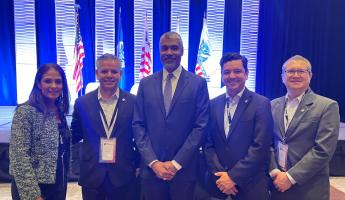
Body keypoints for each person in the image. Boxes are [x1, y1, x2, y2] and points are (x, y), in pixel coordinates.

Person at [132, 31, 210, 200]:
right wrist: (154, 163)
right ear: (159, 52)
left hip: (184, 171)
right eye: (164, 48)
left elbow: (200, 127)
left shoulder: (198, 84)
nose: (169, 53)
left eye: (174, 48)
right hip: (152, 171)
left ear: (182, 51)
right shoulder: (145, 84)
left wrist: (176, 164)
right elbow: (138, 125)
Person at [270, 55, 340, 200]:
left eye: (301, 71)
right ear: (282, 76)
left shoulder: (327, 106)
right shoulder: (272, 105)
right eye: (290, 71)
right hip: (277, 185)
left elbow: (323, 151)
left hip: (309, 189)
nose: (295, 75)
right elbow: (267, 143)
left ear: (310, 76)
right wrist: (274, 171)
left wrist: (290, 177)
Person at [204, 52, 273, 200]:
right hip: (218, 185)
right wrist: (222, 177)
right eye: (227, 72)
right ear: (222, 75)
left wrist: (233, 177)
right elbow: (208, 144)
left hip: (250, 186)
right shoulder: (213, 104)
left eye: (237, 71)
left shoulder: (261, 104)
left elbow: (260, 147)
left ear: (246, 74)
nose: (232, 76)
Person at [71, 54, 138, 200]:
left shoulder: (134, 102)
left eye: (114, 71)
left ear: (120, 74)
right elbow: (74, 137)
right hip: (92, 175)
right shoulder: (82, 102)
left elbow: (139, 137)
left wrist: (137, 166)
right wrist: (77, 166)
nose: (109, 75)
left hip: (124, 175)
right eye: (104, 71)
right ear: (97, 73)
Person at [9, 63, 70, 200]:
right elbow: (19, 157)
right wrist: (33, 195)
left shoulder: (59, 110)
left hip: (58, 183)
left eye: (58, 82)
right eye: (48, 81)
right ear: (38, 83)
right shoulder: (25, 112)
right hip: (33, 188)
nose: (53, 86)